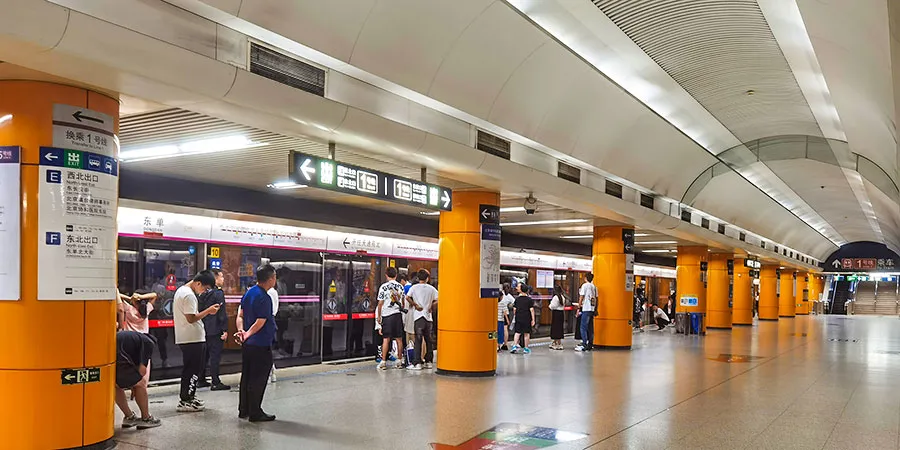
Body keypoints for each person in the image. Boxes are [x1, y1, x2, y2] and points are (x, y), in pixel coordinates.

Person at [237, 265, 278, 422]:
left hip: (248, 344)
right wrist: (248, 333)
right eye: (274, 277)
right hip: (260, 343)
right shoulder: (264, 297)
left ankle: (244, 409)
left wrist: (242, 332)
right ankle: (255, 412)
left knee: (247, 376)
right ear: (270, 279)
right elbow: (261, 321)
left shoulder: (249, 293)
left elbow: (240, 315)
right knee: (258, 378)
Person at [172, 270, 218, 412]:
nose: (204, 292)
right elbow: (191, 318)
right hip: (192, 338)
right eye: (204, 288)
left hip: (187, 337)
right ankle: (186, 400)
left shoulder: (181, 290)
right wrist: (208, 311)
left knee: (189, 369)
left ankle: (188, 396)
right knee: (193, 370)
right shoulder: (189, 295)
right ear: (198, 283)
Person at [115, 330, 161, 430]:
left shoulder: (135, 340)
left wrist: (132, 383)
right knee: (141, 384)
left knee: (115, 385)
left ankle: (129, 417)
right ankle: (146, 418)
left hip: (109, 353)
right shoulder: (149, 343)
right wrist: (134, 384)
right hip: (119, 353)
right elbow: (142, 371)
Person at [199, 269, 230, 391]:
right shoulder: (218, 293)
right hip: (216, 329)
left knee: (204, 356)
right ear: (215, 278)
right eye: (221, 277)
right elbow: (221, 313)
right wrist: (224, 329)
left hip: (204, 328)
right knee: (215, 356)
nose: (223, 279)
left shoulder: (204, 293)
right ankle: (215, 381)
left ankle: (200, 379)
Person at [375, 267, 406, 370]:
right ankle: (399, 361)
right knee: (399, 339)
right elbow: (403, 303)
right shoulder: (400, 286)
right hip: (397, 315)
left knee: (386, 339)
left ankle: (383, 362)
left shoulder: (383, 287)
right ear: (396, 275)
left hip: (387, 315)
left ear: (386, 275)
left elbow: (380, 304)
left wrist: (379, 317)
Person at [407, 269, 438, 370]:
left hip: (418, 316)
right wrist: (431, 306)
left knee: (418, 339)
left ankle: (417, 363)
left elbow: (407, 297)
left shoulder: (414, 287)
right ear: (427, 278)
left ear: (418, 278)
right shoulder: (431, 289)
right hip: (428, 318)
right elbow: (439, 299)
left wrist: (415, 305)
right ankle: (428, 361)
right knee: (429, 340)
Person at [575, 273, 598, 352]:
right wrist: (595, 309)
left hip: (586, 309)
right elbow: (597, 299)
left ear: (585, 278)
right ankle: (590, 344)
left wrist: (578, 307)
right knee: (590, 328)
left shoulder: (584, 286)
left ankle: (584, 344)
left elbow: (581, 297)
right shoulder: (594, 287)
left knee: (583, 327)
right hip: (592, 309)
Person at [510, 284, 535, 354]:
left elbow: (514, 309)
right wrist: (533, 319)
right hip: (527, 318)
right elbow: (531, 310)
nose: (516, 288)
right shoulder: (529, 300)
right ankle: (526, 348)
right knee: (526, 333)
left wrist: (517, 315)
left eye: (518, 287)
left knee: (517, 332)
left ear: (521, 289)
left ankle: (514, 346)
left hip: (519, 317)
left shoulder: (517, 299)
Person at [267, 284, 279, 383]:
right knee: (267, 349)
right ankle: (272, 371)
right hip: (269, 320)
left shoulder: (270, 292)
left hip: (267, 321)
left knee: (266, 349)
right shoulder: (272, 292)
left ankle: (270, 372)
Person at [549, 285, 566, 350]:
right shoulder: (562, 297)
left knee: (555, 327)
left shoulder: (555, 297)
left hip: (556, 313)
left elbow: (552, 306)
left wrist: (550, 305)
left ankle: (556, 343)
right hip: (561, 313)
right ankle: (559, 343)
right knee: (559, 328)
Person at [497, 283, 513, 352]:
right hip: (503, 317)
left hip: (496, 318)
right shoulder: (509, 296)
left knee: (496, 331)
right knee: (505, 330)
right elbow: (513, 302)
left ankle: (497, 345)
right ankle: (505, 344)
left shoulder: (498, 295)